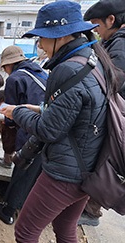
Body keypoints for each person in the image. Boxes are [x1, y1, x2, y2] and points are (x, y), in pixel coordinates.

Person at [1, 1, 122, 241]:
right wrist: (39, 107)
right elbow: (78, 110)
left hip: (65, 173)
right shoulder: (93, 59)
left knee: (26, 231)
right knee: (65, 228)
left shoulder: (67, 69)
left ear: (62, 36)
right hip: (90, 167)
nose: (41, 45)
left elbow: (48, 130)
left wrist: (15, 112)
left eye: (43, 38)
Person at [80, 0, 125, 226]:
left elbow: (113, 79)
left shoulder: (120, 45)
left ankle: (91, 210)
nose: (95, 29)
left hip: (117, 115)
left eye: (96, 24)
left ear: (111, 19)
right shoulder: (114, 41)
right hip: (116, 112)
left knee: (104, 160)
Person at [0, 45, 46, 225]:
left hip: (30, 130)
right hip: (49, 127)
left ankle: (8, 210)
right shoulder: (40, 72)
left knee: (22, 169)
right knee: (35, 173)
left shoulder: (16, 78)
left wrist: (0, 118)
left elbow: (12, 114)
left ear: (9, 65)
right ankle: (24, 207)